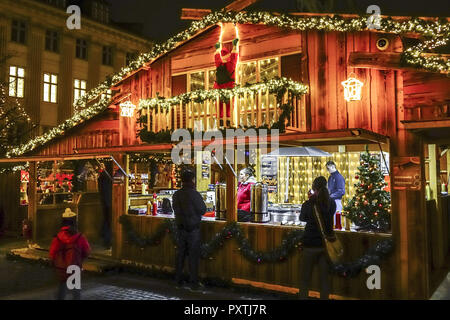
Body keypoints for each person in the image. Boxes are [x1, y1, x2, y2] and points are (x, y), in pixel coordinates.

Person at [299, 176, 336, 300]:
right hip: (325, 246)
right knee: (324, 280)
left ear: (314, 188)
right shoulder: (332, 202)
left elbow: (302, 218)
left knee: (305, 279)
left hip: (309, 244)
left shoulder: (309, 204)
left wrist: (310, 199)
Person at [172, 169, 207, 292]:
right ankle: (194, 283)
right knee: (193, 257)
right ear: (192, 180)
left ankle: (178, 281)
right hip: (193, 229)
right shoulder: (194, 194)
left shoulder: (176, 194)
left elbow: (174, 209)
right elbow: (203, 209)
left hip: (180, 228)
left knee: (180, 256)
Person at [49, 208, 91, 300]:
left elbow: (52, 253)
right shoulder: (79, 237)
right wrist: (81, 258)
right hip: (74, 266)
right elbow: (87, 251)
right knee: (76, 290)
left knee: (62, 288)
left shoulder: (58, 237)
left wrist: (54, 262)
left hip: (61, 268)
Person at [214, 38, 239, 127]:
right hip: (229, 88)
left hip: (219, 89)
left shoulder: (219, 65)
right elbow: (234, 57)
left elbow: (217, 59)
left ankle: (220, 121)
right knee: (229, 106)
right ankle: (228, 121)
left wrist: (217, 49)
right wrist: (235, 46)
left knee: (219, 106)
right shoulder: (231, 64)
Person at [97, 162, 112, 249]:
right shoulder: (108, 176)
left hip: (104, 201)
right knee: (108, 221)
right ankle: (107, 240)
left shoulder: (102, 176)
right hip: (109, 201)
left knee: (106, 220)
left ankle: (105, 238)